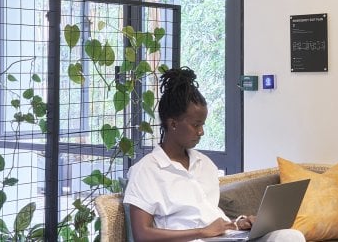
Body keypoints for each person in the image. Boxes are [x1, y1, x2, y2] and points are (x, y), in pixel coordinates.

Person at [123, 67, 305, 242]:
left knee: (290, 236)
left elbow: (209, 215)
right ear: (173, 124)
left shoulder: (205, 164)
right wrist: (202, 232)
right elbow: (142, 234)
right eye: (196, 125)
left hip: (225, 238)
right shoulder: (146, 170)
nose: (201, 132)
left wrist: (238, 224)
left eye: (203, 125)